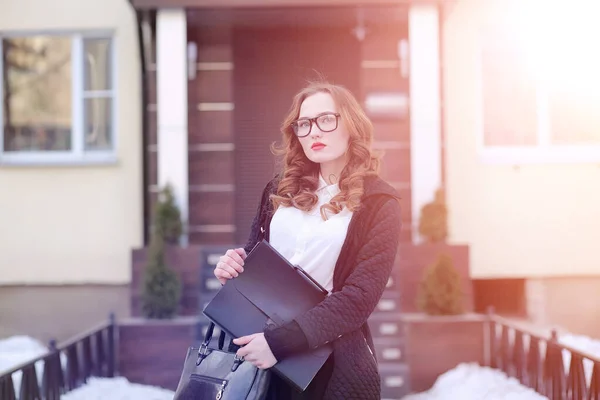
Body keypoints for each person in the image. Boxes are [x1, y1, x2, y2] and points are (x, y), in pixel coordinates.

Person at [213, 81, 402, 400]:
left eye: (326, 119)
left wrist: (280, 343)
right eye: (304, 124)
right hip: (257, 353)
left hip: (325, 364)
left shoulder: (380, 202)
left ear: (350, 123)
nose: (314, 131)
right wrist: (233, 268)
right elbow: (254, 259)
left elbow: (359, 298)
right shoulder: (279, 190)